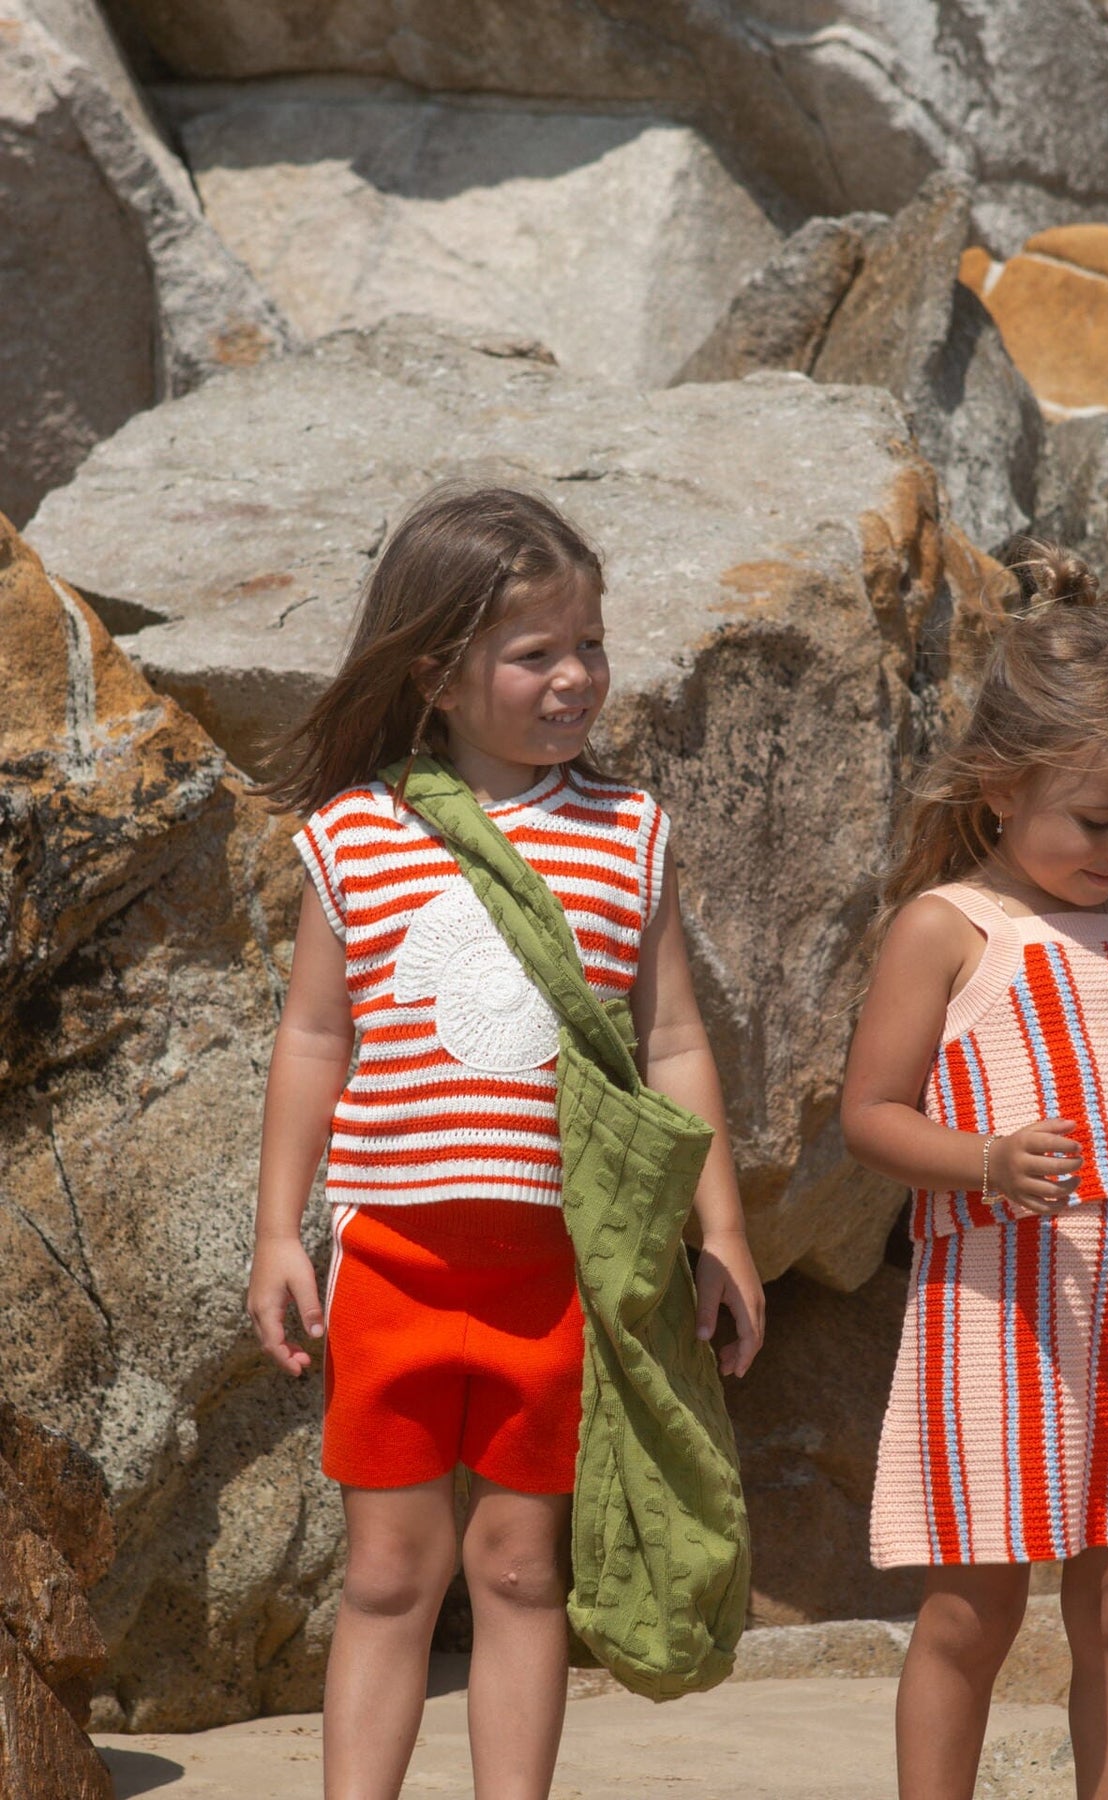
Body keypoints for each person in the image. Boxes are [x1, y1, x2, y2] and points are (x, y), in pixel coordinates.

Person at [246, 485, 764, 1800]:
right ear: (436, 671)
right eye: (537, 652)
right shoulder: (354, 838)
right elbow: (312, 1038)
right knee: (387, 1576)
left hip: (558, 1273)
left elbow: (673, 1043)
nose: (576, 676)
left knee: (526, 1573)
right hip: (392, 1258)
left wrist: (723, 1232)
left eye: (590, 644)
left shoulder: (629, 833)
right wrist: (278, 1233)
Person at [841, 545, 1108, 1800]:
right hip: (1002, 1307)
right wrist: (984, 1160)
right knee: (973, 1609)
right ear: (1001, 786)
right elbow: (870, 1116)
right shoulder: (949, 927)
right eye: (1099, 821)